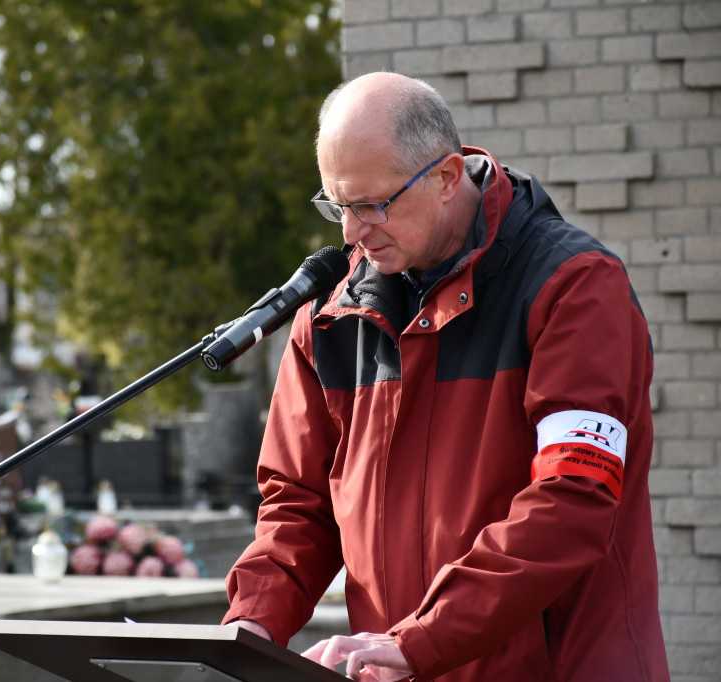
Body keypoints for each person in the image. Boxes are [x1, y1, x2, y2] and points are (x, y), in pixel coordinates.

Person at [222, 72, 669, 681]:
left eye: (371, 205)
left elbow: (573, 499)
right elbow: (300, 506)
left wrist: (420, 641)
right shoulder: (328, 319)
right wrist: (251, 623)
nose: (351, 233)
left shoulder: (576, 289)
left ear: (446, 178)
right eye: (337, 206)